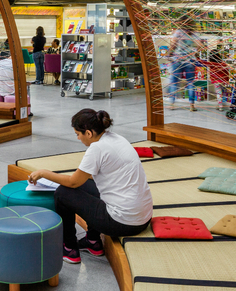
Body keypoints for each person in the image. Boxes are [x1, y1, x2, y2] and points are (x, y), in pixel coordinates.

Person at [27, 109, 152, 264]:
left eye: (78, 134)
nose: (78, 138)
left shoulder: (97, 148)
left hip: (123, 222)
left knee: (62, 193)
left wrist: (44, 173)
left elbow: (73, 182)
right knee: (88, 185)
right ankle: (93, 241)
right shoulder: (116, 138)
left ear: (89, 133)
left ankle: (69, 249)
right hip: (143, 218)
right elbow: (86, 179)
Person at [167, 21, 199, 111]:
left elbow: (173, 45)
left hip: (177, 60)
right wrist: (194, 53)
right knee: (190, 82)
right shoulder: (193, 33)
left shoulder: (178, 32)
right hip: (190, 61)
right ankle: (191, 106)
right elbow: (199, 46)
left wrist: (169, 54)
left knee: (174, 82)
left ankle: (172, 104)